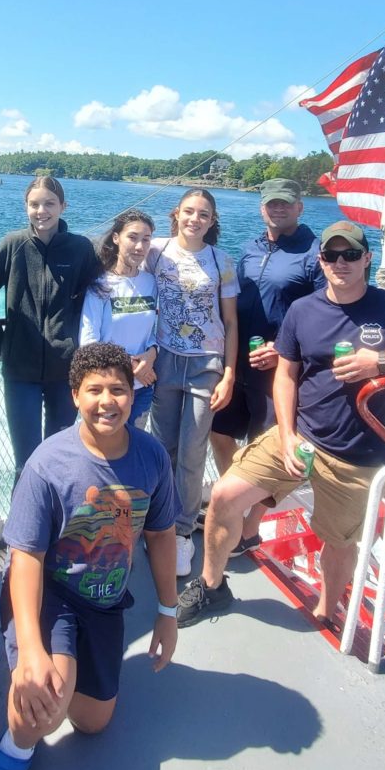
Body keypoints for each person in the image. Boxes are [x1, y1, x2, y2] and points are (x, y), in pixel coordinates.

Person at [177, 220, 385, 628]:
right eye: (332, 255)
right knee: (225, 496)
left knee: (338, 543)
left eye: (351, 254)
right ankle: (213, 588)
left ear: (367, 258)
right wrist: (285, 437)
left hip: (357, 455)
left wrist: (384, 362)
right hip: (301, 437)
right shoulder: (304, 310)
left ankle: (325, 610)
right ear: (321, 260)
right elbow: (286, 375)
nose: (341, 262)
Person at [0, 343, 178, 770]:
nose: (108, 401)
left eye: (119, 390)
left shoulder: (153, 457)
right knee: (44, 704)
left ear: (134, 391)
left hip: (105, 600)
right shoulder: (48, 464)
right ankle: (13, 749)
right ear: (74, 396)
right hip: (53, 593)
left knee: (92, 721)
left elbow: (161, 536)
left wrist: (168, 611)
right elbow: (26, 557)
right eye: (95, 390)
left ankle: (65, 673)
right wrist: (31, 648)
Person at [209, 178, 325, 555]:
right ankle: (233, 503)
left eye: (285, 204)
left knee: (267, 449)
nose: (278, 209)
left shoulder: (314, 253)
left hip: (280, 371)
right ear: (262, 208)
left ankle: (249, 529)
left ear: (299, 207)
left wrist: (283, 349)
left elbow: (328, 313)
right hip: (238, 362)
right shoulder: (248, 249)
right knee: (220, 432)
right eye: (272, 204)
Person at [145, 188, 239, 577]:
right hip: (163, 360)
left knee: (192, 452)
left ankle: (182, 533)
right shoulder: (154, 251)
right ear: (176, 214)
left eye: (203, 214)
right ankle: (157, 524)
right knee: (161, 447)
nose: (195, 219)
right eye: (188, 212)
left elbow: (231, 322)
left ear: (212, 221)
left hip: (205, 365)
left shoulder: (221, 260)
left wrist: (229, 372)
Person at [0, 176, 99, 474]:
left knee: (59, 459)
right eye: (34, 204)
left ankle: (56, 521)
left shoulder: (80, 248)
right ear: (25, 206)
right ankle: (23, 520)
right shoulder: (13, 244)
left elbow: (99, 296)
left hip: (66, 370)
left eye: (49, 203)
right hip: (19, 370)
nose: (42, 210)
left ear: (63, 206)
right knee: (25, 463)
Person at [80, 209, 158, 428]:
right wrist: (132, 365)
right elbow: (89, 341)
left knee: (133, 450)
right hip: (109, 389)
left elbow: (151, 332)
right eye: (132, 238)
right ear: (116, 238)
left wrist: (152, 354)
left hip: (141, 388)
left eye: (146, 239)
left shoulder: (151, 282)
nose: (139, 246)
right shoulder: (100, 285)